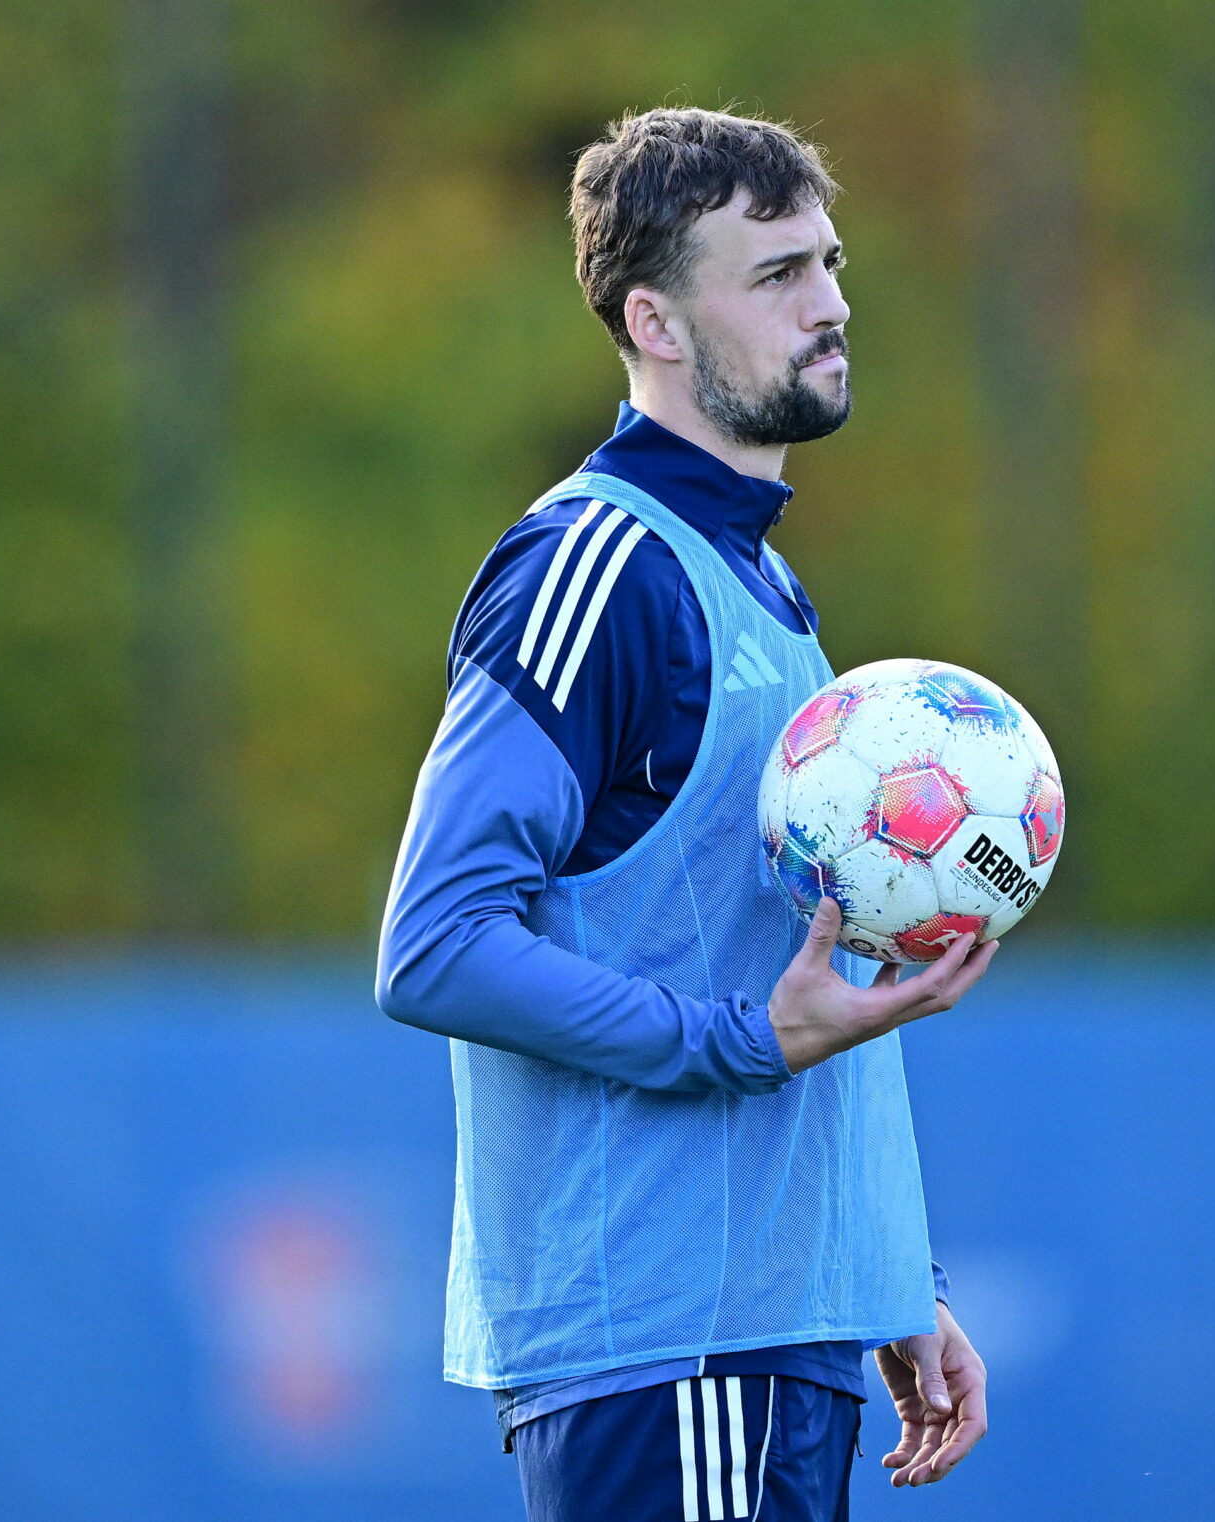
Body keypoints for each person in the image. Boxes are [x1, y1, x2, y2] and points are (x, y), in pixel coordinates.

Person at [376, 106, 995, 1521]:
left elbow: (743, 953)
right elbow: (436, 941)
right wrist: (730, 1045)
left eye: (831, 263)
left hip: (771, 1336)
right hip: (675, 1346)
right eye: (776, 275)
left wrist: (891, 1274)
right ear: (653, 319)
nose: (832, 305)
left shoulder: (763, 590)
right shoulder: (593, 572)